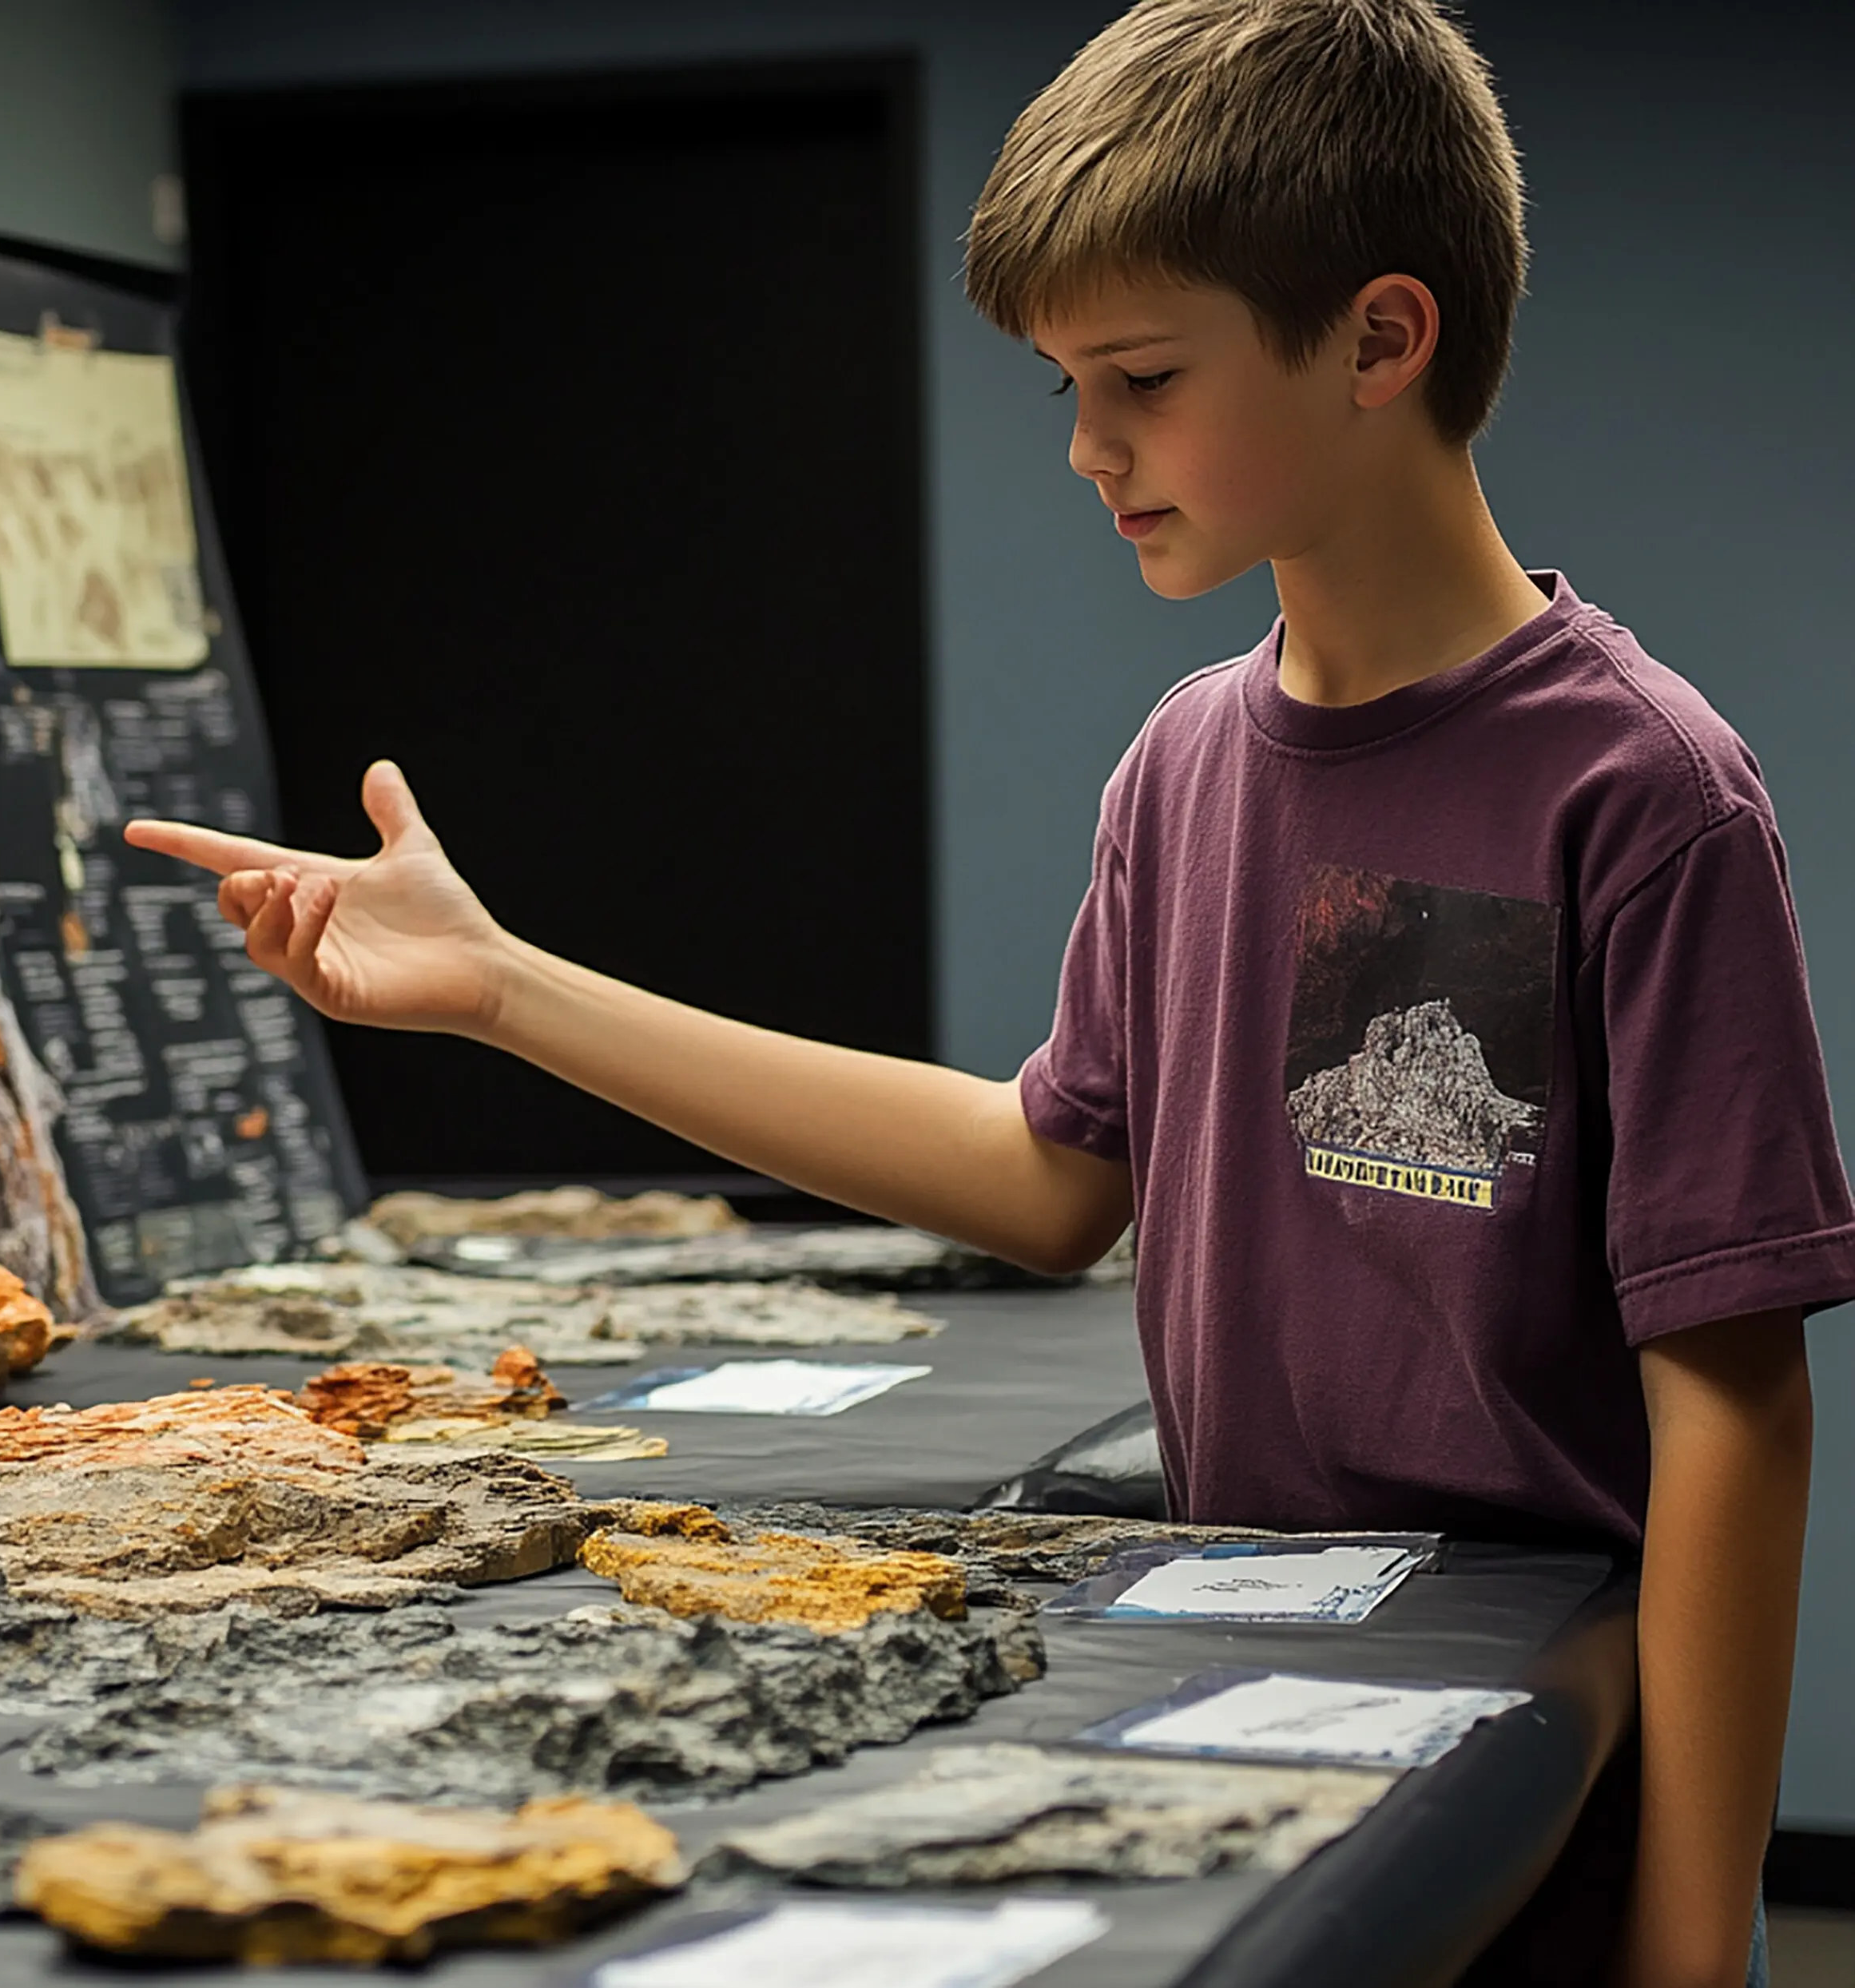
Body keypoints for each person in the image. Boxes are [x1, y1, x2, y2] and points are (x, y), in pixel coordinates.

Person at [127, 2, 1841, 1982]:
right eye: (1063, 388)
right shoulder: (1184, 766)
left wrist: (1705, 1928)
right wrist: (506, 989)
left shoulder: (1642, 789)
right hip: (1251, 1683)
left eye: (1143, 376)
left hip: (1532, 1736)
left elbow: (1734, 1401)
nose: (1093, 448)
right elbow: (1048, 1172)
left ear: (1382, 338)